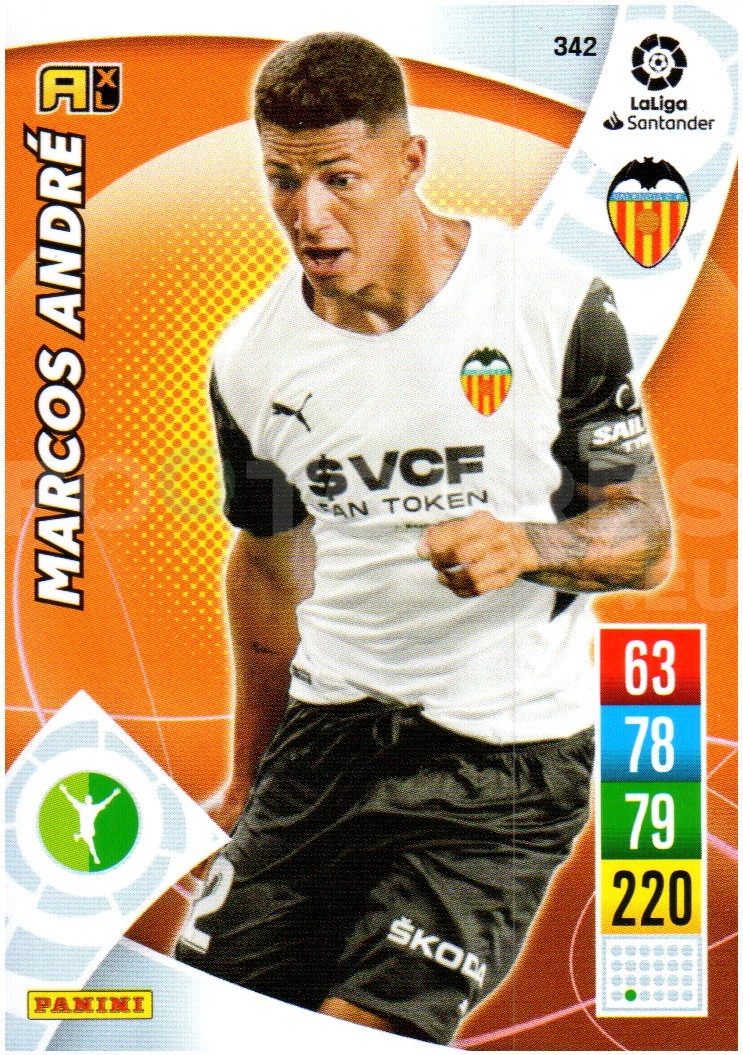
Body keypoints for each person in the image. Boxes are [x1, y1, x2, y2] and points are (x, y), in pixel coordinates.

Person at [175, 32, 671, 1044]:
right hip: (326, 744)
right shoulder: (250, 361)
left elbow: (645, 532)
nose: (308, 216)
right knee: (205, 1021)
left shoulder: (550, 303)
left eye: (338, 178)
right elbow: (268, 563)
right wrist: (248, 775)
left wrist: (528, 544)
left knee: (358, 1027)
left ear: (408, 161)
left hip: (503, 760)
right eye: (282, 179)